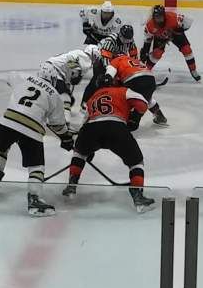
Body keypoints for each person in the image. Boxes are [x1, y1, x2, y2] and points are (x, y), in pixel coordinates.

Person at [0, 64, 74, 216]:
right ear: (53, 79)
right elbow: (57, 125)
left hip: (7, 123)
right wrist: (66, 138)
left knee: (1, 148)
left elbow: (10, 75)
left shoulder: (23, 79)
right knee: (36, 166)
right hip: (31, 130)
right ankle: (34, 199)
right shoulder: (55, 95)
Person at [62, 70, 154, 213]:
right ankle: (138, 196)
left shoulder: (92, 98)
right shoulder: (123, 90)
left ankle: (71, 186)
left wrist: (85, 148)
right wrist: (134, 117)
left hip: (90, 128)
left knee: (79, 154)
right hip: (116, 127)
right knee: (136, 161)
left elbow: (84, 122)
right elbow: (142, 104)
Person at [141, 6, 200, 81]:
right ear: (153, 17)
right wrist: (145, 50)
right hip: (160, 37)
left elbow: (189, 21)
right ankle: (145, 71)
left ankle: (193, 70)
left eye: (161, 16)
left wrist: (179, 30)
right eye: (156, 17)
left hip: (175, 33)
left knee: (187, 50)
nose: (159, 19)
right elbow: (147, 40)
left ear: (164, 15)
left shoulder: (173, 18)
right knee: (157, 54)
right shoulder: (150, 25)